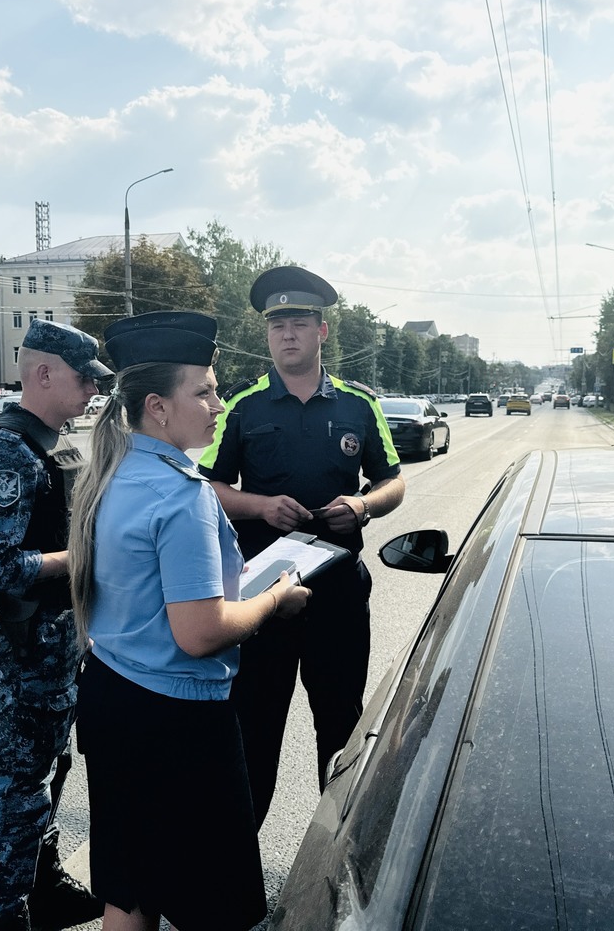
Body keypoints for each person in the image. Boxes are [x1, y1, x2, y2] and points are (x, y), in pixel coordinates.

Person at [68, 310, 311, 931]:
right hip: (176, 721)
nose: (216, 402)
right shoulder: (182, 494)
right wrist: (274, 600)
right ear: (158, 406)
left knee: (130, 889)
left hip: (113, 697)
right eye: (203, 390)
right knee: (219, 907)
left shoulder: (112, 472)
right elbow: (199, 633)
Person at [197, 265, 407, 826]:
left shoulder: (359, 406)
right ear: (268, 334)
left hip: (337, 590)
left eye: (299, 322)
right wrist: (260, 506)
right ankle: (237, 865)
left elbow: (394, 481)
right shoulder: (242, 407)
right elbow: (207, 486)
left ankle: (337, 849)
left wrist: (361, 506)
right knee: (254, 725)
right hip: (264, 592)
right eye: (277, 324)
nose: (287, 333)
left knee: (340, 724)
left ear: (322, 332)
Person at [0, 319, 110, 931]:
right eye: (83, 380)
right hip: (28, 644)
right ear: (43, 374)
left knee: (50, 769)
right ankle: (4, 909)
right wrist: (87, 557)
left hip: (62, 637)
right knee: (19, 780)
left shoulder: (47, 440)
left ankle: (41, 886)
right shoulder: (5, 449)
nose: (91, 394)